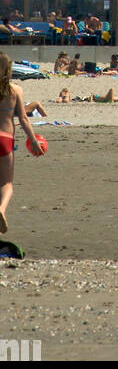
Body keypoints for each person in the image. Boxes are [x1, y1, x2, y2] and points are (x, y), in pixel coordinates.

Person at [0, 52, 46, 233]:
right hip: (5, 139)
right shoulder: (15, 90)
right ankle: (1, 209)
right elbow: (24, 119)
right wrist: (33, 140)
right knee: (6, 183)